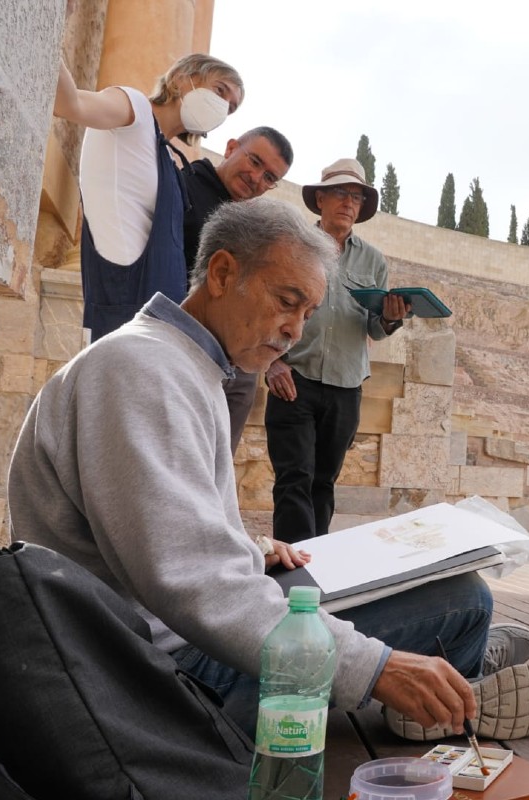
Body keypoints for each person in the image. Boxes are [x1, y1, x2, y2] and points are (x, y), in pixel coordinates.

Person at [7, 198, 529, 742]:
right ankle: (450, 685)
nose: (295, 330)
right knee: (461, 601)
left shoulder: (175, 363)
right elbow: (191, 582)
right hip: (161, 682)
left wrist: (249, 549)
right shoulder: (142, 370)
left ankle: (448, 675)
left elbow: (158, 540)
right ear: (223, 273)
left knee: (413, 587)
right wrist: (380, 668)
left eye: (307, 314)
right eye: (286, 301)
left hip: (159, 643)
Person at [264, 157, 408, 542]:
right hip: (294, 379)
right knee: (294, 478)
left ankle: (316, 568)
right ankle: (294, 575)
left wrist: (392, 318)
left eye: (357, 197)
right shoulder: (292, 248)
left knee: (324, 483)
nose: (349, 202)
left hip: (346, 385)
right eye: (341, 193)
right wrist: (273, 363)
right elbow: (265, 308)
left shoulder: (374, 261)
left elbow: (374, 327)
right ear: (321, 199)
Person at [53, 53, 243, 341]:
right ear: (181, 78)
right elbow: (69, 104)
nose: (223, 106)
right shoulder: (134, 107)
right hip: (123, 301)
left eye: (230, 107)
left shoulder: (168, 156)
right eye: (220, 90)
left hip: (160, 312)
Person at [182, 126, 294, 453]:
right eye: (255, 161)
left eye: (270, 177)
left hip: (238, 366)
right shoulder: (184, 187)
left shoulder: (251, 223)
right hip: (187, 349)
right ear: (231, 147)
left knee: (218, 463)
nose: (257, 178)